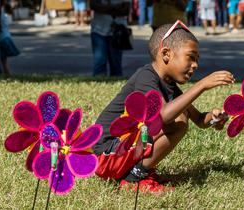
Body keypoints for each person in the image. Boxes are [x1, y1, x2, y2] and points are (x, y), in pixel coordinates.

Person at [92, 20, 235, 193]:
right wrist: (202, 85)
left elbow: (199, 120)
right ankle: (134, 178)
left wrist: (214, 118)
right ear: (166, 53)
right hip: (105, 155)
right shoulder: (146, 76)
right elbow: (163, 116)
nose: (195, 65)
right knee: (179, 121)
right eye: (191, 57)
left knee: (180, 114)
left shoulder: (170, 87)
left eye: (197, 60)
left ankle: (137, 171)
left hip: (120, 151)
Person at [90, 0, 130, 76]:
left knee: (116, 66)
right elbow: (94, 6)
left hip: (118, 32)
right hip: (98, 31)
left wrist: (104, 8)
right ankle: (98, 85)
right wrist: (115, 8)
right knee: (99, 64)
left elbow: (126, 10)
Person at [0, 0, 19, 76]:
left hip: (2, 38)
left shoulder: (2, 10)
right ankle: (8, 75)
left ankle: (6, 75)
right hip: (5, 37)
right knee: (4, 60)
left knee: (3, 60)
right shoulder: (5, 9)